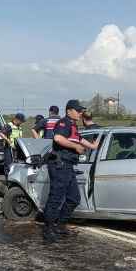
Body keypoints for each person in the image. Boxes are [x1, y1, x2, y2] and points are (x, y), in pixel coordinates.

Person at [41, 100, 99, 244]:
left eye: (81, 111)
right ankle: (48, 230)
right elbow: (58, 138)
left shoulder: (73, 125)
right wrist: (75, 147)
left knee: (74, 198)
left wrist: (93, 146)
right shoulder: (63, 123)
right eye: (78, 111)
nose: (80, 113)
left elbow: (79, 138)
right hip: (59, 165)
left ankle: (60, 226)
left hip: (68, 165)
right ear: (69, 111)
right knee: (56, 198)